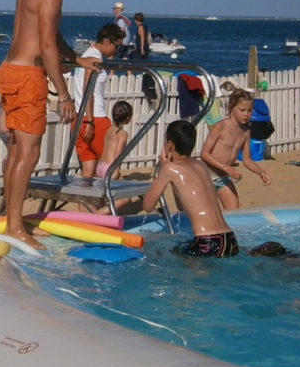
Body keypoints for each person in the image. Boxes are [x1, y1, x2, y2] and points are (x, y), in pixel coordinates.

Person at [0, 0, 97, 250]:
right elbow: (45, 46)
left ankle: (13, 221)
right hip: (27, 76)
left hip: (9, 70)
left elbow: (51, 36)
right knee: (29, 153)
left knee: (16, 151)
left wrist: (76, 59)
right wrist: (65, 94)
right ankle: (14, 226)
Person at [142, 120, 238, 258]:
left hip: (207, 241)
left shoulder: (169, 169)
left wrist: (162, 169)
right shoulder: (201, 166)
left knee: (163, 255)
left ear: (170, 145)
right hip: (229, 239)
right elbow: (182, 206)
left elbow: (147, 205)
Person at [200, 88, 272, 209]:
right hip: (206, 177)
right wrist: (226, 167)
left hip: (223, 177)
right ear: (231, 108)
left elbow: (247, 160)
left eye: (249, 110)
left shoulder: (245, 132)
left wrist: (261, 173)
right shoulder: (220, 127)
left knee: (234, 212)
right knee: (210, 214)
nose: (246, 114)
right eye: (242, 110)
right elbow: (204, 154)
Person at [71, 23, 126, 177]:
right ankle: (110, 201)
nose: (117, 50)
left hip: (79, 118)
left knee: (88, 172)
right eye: (117, 46)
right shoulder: (94, 58)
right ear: (107, 42)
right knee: (111, 170)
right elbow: (87, 90)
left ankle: (84, 201)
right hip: (94, 117)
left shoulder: (86, 55)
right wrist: (90, 120)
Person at [96, 100, 133, 179]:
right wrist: (116, 173)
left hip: (100, 165)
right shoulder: (122, 134)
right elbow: (117, 155)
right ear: (128, 118)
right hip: (110, 168)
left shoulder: (109, 129)